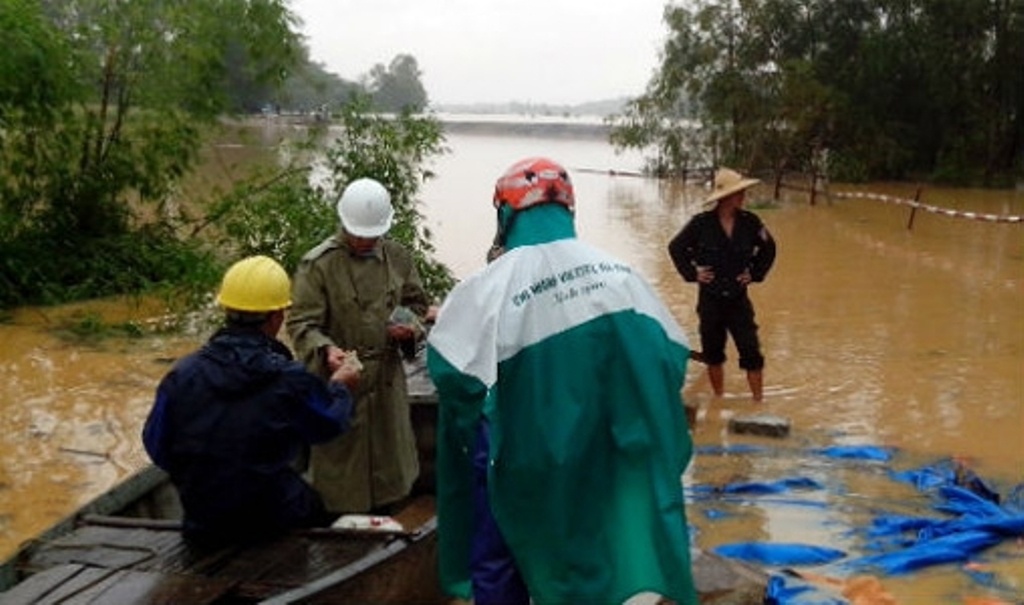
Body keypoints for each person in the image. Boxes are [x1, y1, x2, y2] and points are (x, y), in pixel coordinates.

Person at [427, 157, 698, 604]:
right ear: (569, 209)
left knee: (501, 559)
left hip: (520, 461)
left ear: (506, 213)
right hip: (604, 452)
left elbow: (452, 376)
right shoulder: (623, 277)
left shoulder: (486, 289)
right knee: (592, 554)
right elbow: (671, 358)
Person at [142, 255, 359, 547]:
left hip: (203, 519)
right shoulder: (288, 378)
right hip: (272, 516)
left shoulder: (182, 374)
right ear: (276, 318)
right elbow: (328, 425)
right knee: (314, 506)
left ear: (228, 310)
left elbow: (157, 447)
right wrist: (340, 387)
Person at [286, 177, 433, 514]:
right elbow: (301, 324)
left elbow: (419, 308)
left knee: (393, 482)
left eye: (372, 235)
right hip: (340, 389)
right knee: (339, 488)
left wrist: (407, 329)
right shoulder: (318, 265)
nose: (365, 241)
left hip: (387, 387)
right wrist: (325, 351)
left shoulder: (398, 257)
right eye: (359, 234)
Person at [668, 167, 776, 402]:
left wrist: (755, 273)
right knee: (713, 354)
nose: (743, 196)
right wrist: (693, 273)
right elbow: (675, 248)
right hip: (710, 301)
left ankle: (758, 401)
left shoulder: (750, 222)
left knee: (751, 351)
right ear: (725, 197)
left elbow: (769, 249)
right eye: (739, 193)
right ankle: (719, 399)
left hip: (739, 300)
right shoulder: (700, 224)